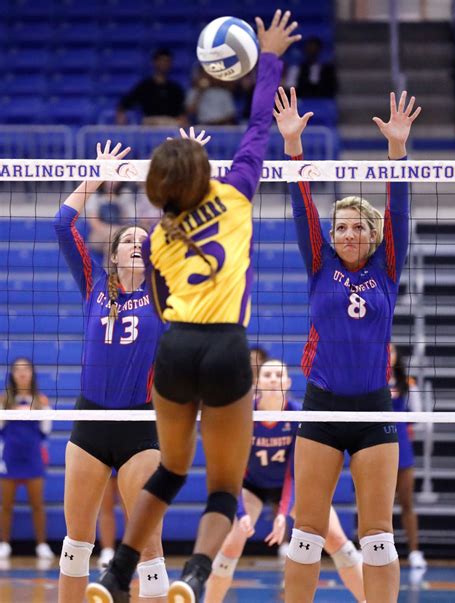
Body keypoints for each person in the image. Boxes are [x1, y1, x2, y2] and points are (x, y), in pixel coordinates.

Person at [86, 10, 301, 603]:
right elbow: (259, 122)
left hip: (176, 346)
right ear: (205, 173)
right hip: (227, 347)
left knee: (169, 469)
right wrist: (270, 55)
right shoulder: (234, 194)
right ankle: (196, 577)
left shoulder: (157, 235)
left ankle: (113, 574)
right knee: (223, 485)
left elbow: (156, 301)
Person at [274, 86, 421, 603]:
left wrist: (396, 152)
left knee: (377, 538)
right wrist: (294, 146)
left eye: (359, 227)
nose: (348, 233)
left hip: (374, 408)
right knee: (307, 533)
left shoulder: (387, 267)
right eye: (341, 226)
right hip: (321, 406)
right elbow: (302, 201)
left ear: (375, 236)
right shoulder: (320, 262)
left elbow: (397, 203)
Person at [54, 140, 172, 603]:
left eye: (144, 243)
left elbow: (186, 232)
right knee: (76, 544)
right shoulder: (93, 286)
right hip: (90, 423)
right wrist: (97, 176)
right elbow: (62, 223)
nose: (137, 246)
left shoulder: (162, 296)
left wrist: (184, 172)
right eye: (128, 241)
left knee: (150, 547)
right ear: (116, 254)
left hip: (141, 424)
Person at [204, 359, 366, 603]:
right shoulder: (244, 416)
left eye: (278, 375)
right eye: (267, 374)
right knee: (229, 547)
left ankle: (368, 599)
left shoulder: (297, 415)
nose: (272, 379)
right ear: (257, 382)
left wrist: (283, 513)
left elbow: (293, 473)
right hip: (253, 487)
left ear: (288, 382)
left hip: (293, 486)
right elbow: (232, 470)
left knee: (338, 542)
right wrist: (241, 513)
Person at [0, 358, 54, 561]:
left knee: (38, 504)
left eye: (26, 369)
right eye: (18, 370)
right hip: (10, 458)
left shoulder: (41, 401)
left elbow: (46, 430)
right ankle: (4, 544)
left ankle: (42, 545)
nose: (22, 374)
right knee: (5, 504)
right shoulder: (4, 400)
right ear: (12, 375)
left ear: (32, 374)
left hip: (32, 457)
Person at [389, 344, 427, 570]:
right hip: (376, 443)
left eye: (391, 352)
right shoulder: (369, 381)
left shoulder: (407, 383)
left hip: (402, 444)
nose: (387, 355)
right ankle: (373, 549)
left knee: (406, 502)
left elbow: (417, 415)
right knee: (377, 504)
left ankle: (414, 552)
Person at [116, 48, 186, 126]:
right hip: (150, 123)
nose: (163, 64)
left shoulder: (175, 88)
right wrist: (121, 114)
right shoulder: (144, 86)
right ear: (155, 62)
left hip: (170, 123)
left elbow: (182, 112)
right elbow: (125, 103)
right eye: (161, 60)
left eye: (166, 61)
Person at [96, 471, 124, 568]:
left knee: (131, 510)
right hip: (105, 460)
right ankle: (107, 551)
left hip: (129, 459)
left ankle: (133, 552)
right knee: (105, 507)